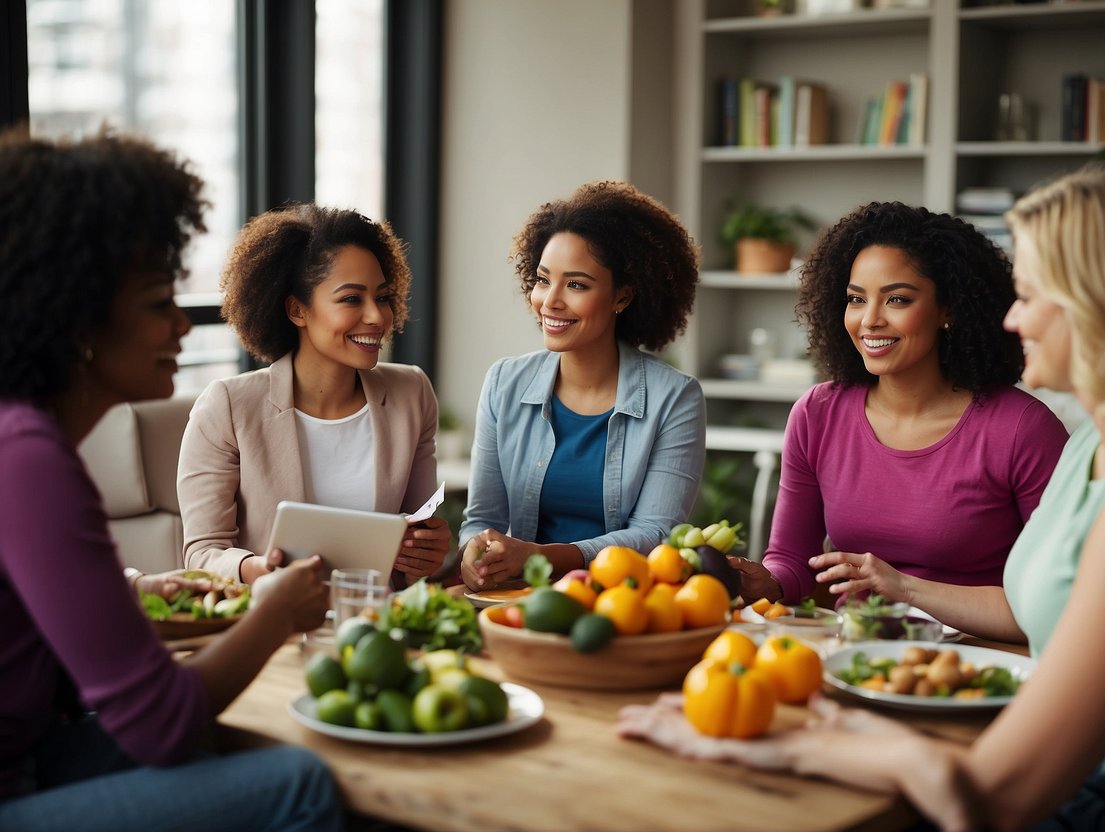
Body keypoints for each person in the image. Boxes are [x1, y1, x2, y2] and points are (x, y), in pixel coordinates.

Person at [620, 165, 1105, 830]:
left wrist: (782, 744)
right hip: (1079, 781)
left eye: (1030, 293)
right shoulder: (1094, 447)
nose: (1012, 317)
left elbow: (996, 796)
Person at [0, 129, 340, 830]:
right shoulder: (27, 456)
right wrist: (274, 610)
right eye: (159, 304)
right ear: (78, 323)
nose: (183, 327)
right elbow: (159, 724)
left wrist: (135, 591)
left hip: (31, 754)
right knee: (298, 781)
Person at [733, 202, 1069, 610]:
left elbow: (1058, 594)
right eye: (856, 300)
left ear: (948, 309)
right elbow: (793, 563)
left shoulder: (1022, 429)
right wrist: (762, 583)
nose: (869, 320)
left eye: (897, 300)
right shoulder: (817, 414)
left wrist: (903, 585)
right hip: (858, 656)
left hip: (980, 654)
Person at [178, 202, 451, 587]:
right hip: (272, 625)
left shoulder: (411, 393)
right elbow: (203, 554)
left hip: (376, 624)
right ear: (296, 310)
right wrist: (260, 570)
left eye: (383, 297)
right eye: (352, 299)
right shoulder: (228, 407)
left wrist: (427, 552)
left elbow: (415, 539)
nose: (376, 316)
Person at [459, 181, 706, 590]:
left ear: (622, 297)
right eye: (542, 280)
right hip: (516, 603)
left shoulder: (674, 398)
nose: (550, 301)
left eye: (576, 285)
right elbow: (482, 520)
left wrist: (543, 557)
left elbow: (655, 535)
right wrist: (475, 553)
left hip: (619, 607)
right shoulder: (504, 382)